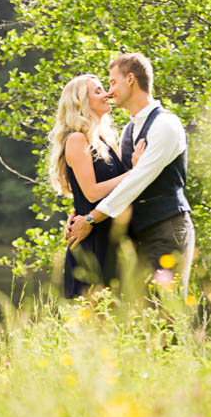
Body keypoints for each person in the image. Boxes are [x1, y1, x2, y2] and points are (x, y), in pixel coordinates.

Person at [65, 53, 195, 295]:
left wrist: (91, 218)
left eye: (112, 82)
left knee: (165, 309)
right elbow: (113, 181)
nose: (110, 91)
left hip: (165, 229)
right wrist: (79, 209)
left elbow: (138, 179)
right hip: (132, 235)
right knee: (137, 317)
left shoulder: (166, 125)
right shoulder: (127, 131)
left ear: (131, 79)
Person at [48, 74, 145, 298]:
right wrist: (135, 172)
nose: (107, 94)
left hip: (114, 234)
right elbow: (91, 192)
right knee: (93, 313)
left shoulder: (106, 139)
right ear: (82, 102)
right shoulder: (76, 139)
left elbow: (111, 188)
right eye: (98, 91)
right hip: (93, 240)